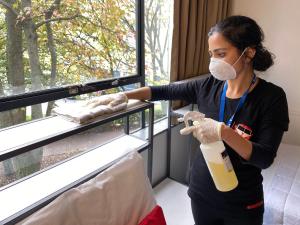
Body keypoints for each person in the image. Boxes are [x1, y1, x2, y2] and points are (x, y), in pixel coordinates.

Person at [122, 15, 289, 225]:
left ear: (249, 52)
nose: (214, 62)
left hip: (243, 203)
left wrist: (223, 132)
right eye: (211, 55)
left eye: (221, 54)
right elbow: (164, 90)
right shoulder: (208, 86)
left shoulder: (271, 97)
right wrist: (123, 97)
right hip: (202, 193)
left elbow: (264, 158)